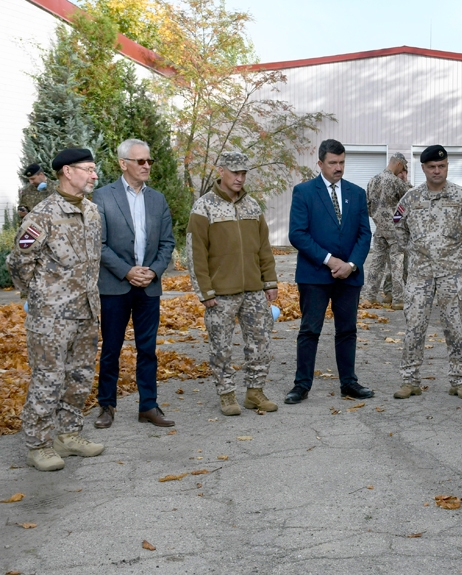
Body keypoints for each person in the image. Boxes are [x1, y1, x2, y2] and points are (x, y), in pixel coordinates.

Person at [6, 148, 104, 471]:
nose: (93, 175)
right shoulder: (42, 215)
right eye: (88, 169)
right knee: (48, 379)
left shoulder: (92, 213)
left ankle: (69, 435)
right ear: (66, 171)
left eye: (94, 169)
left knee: (80, 377)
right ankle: (38, 444)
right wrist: (38, 296)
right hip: (51, 318)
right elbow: (18, 261)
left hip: (87, 313)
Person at [186, 151, 280, 416]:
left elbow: (264, 246)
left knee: (260, 342)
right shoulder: (203, 207)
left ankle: (255, 391)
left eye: (243, 173)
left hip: (253, 289)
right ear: (221, 171)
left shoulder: (252, 206)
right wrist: (204, 291)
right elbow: (196, 253)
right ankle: (227, 393)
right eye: (235, 172)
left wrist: (269, 280)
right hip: (220, 293)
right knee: (221, 346)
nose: (240, 178)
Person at [92, 139, 177, 429]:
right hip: (115, 286)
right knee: (111, 348)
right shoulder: (102, 197)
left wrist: (152, 272)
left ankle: (148, 406)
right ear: (122, 163)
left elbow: (167, 243)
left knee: (148, 349)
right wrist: (127, 271)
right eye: (140, 161)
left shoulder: (158, 199)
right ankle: (106, 406)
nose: (146, 166)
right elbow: (99, 245)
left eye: (149, 161)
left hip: (149, 287)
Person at [285, 139, 374, 404]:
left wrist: (351, 265)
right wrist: (329, 260)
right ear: (320, 163)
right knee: (310, 330)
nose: (338, 167)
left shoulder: (356, 193)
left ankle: (349, 383)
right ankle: (301, 385)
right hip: (315, 276)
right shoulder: (304, 192)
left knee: (347, 330)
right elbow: (297, 234)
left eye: (342, 162)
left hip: (349, 276)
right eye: (333, 163)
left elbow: (364, 234)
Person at [393, 145, 462, 400]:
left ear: (447, 167)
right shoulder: (410, 199)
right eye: (431, 167)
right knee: (414, 327)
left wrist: (455, 253)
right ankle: (410, 380)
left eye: (441, 166)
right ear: (423, 168)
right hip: (419, 274)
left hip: (451, 274)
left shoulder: (461, 197)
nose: (437, 171)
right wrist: (413, 250)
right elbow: (397, 227)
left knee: (455, 327)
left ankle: (459, 380)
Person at [361, 152, 411, 309]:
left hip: (379, 229)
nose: (402, 171)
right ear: (399, 164)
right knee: (397, 263)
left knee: (377, 262)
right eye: (403, 168)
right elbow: (412, 198)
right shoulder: (395, 181)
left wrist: (379, 219)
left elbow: (367, 206)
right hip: (396, 230)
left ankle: (369, 297)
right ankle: (398, 299)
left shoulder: (372, 181)